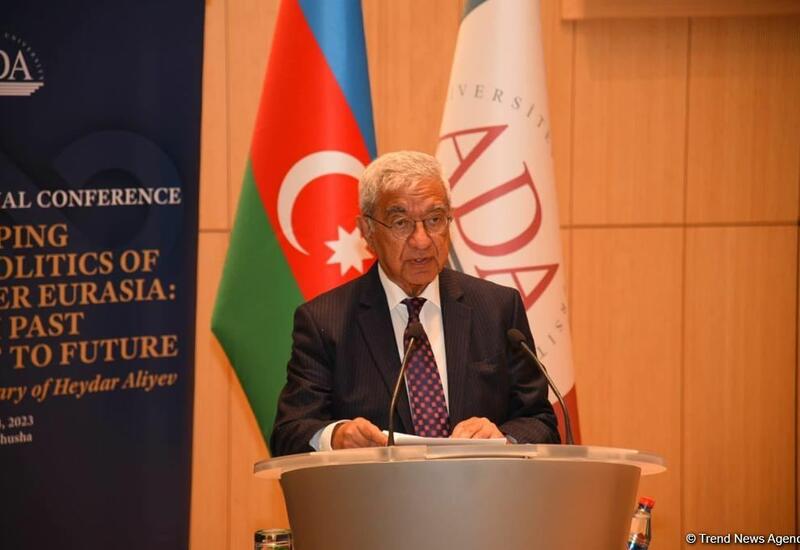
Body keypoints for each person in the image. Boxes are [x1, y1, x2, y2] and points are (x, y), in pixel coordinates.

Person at [270, 151, 559, 456]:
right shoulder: (325, 321)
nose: (422, 240)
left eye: (435, 220)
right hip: (377, 487)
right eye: (401, 223)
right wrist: (336, 436)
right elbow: (289, 433)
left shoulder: (497, 308)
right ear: (367, 230)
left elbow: (542, 422)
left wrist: (504, 438)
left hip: (480, 485)